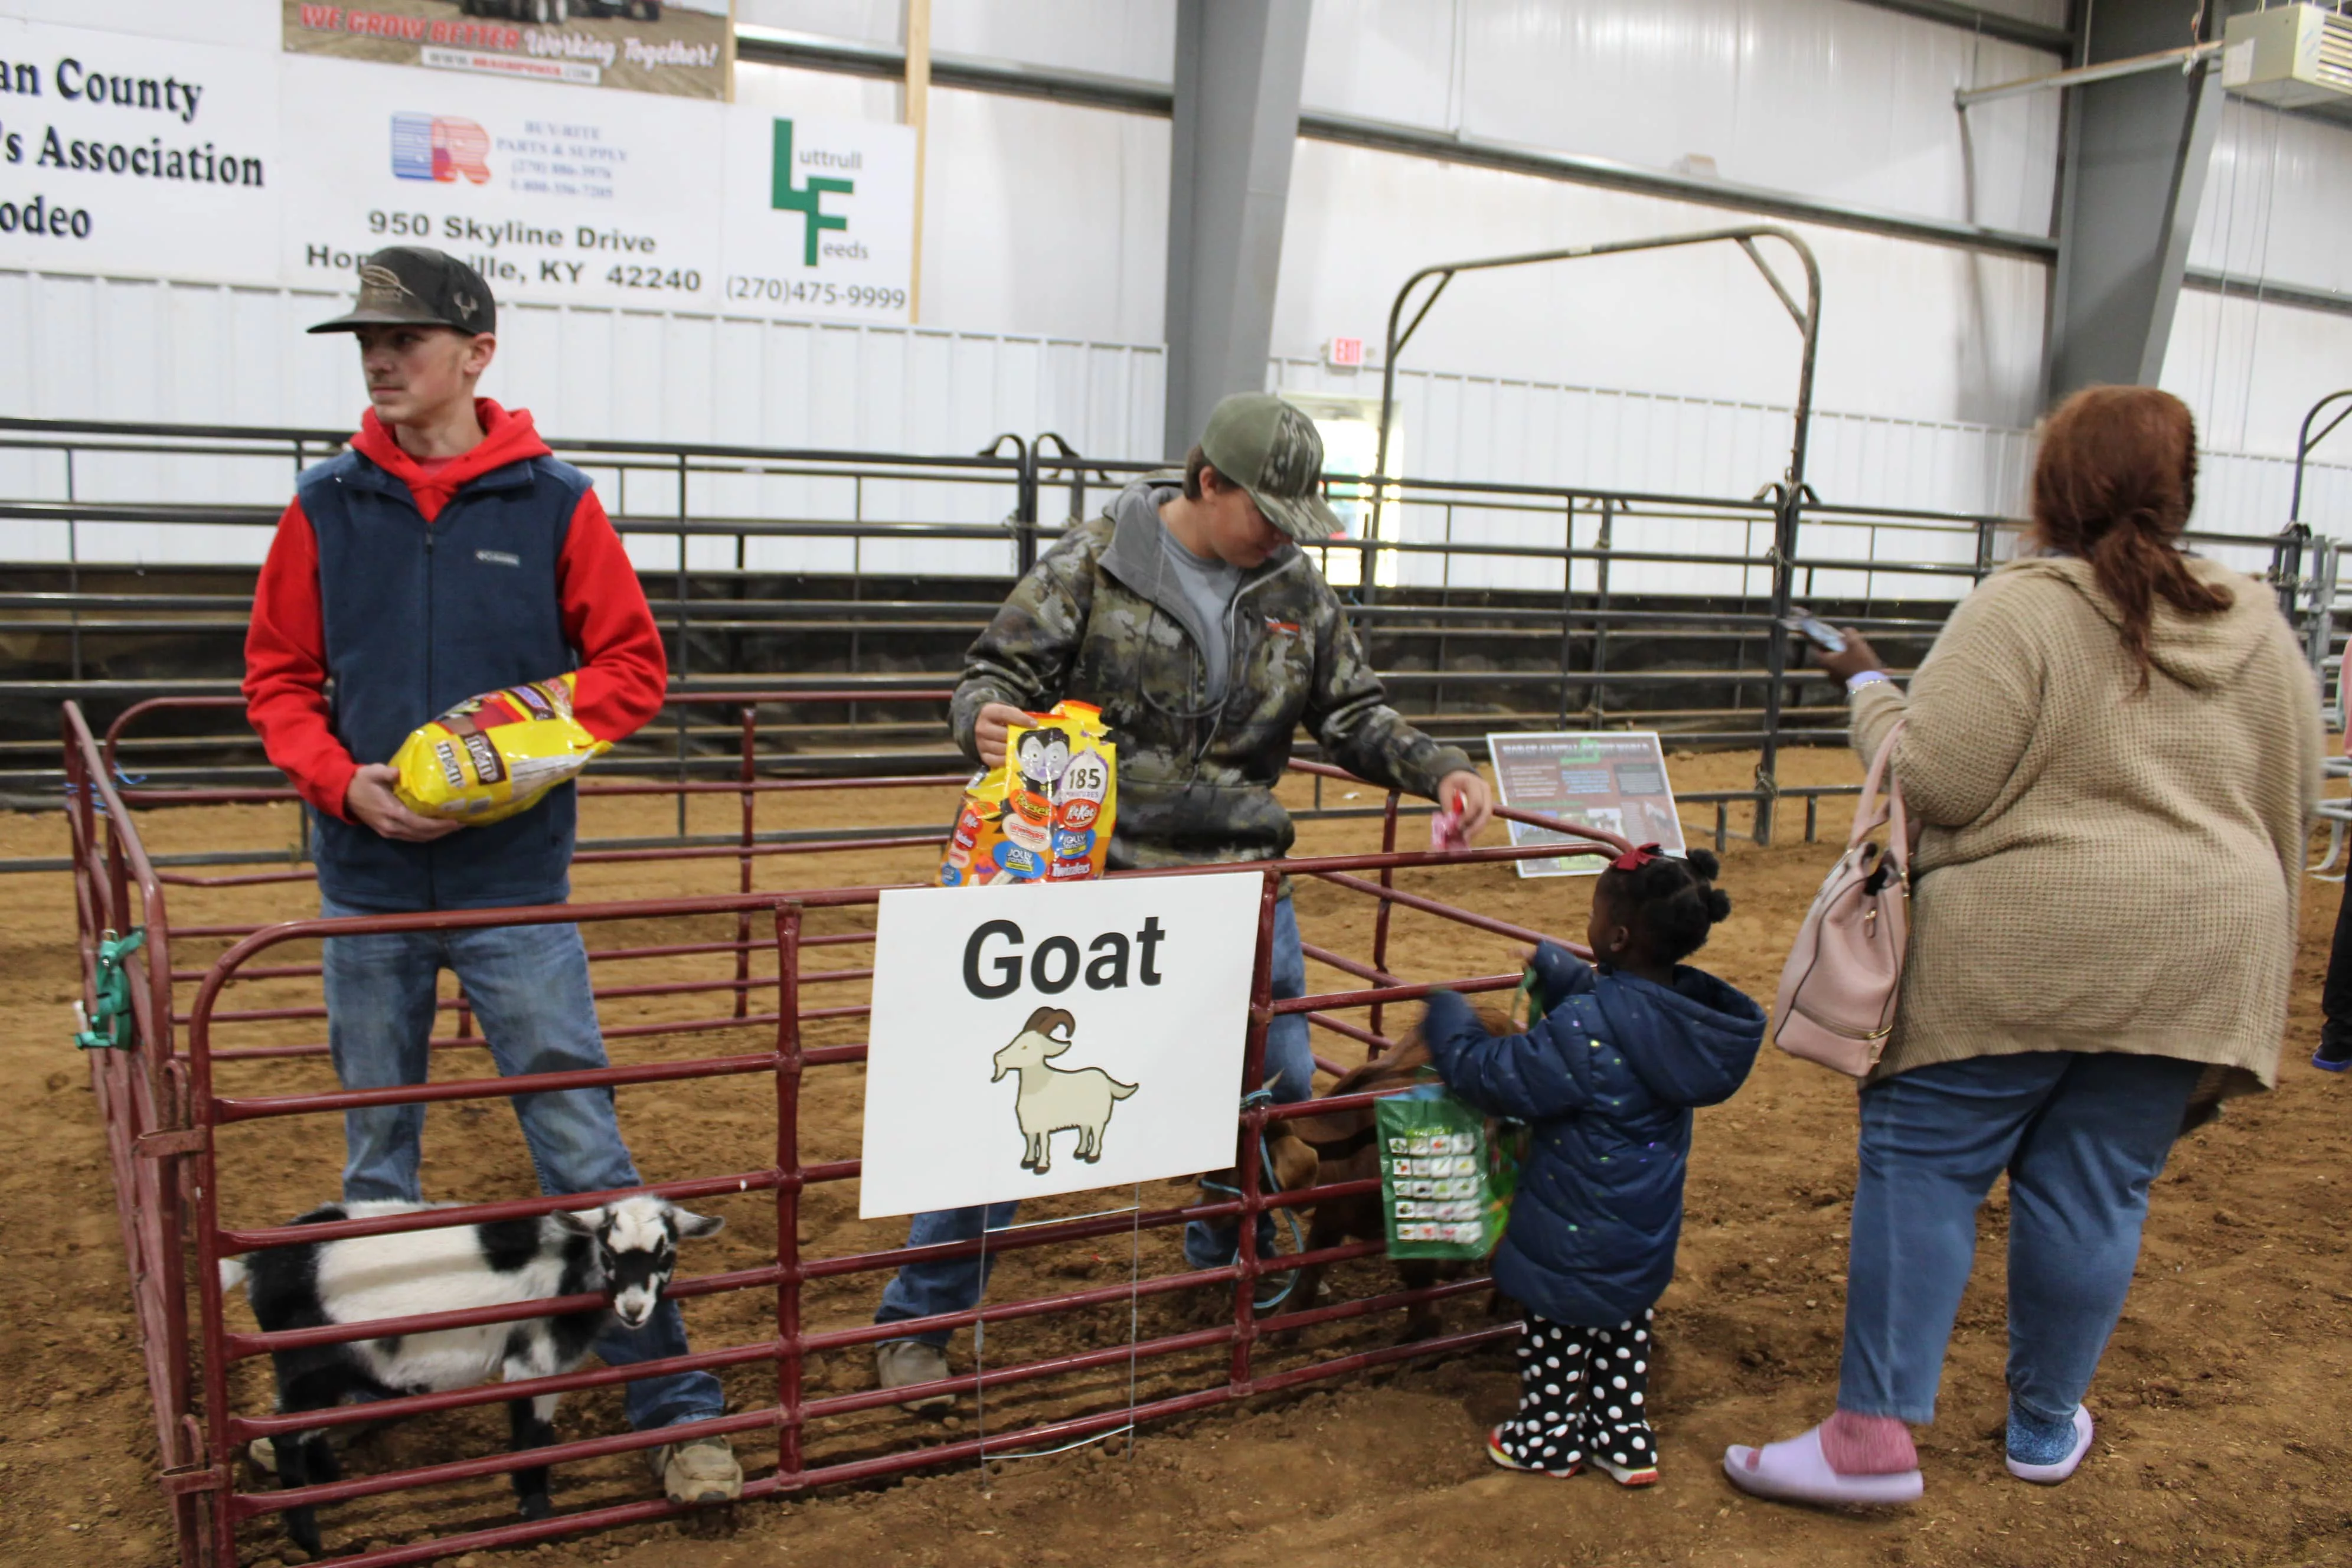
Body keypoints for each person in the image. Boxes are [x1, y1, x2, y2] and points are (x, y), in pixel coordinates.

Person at [1723, 386, 2321, 1506]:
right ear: (2179, 491)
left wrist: (1863, 688)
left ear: (2051, 484)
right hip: (2200, 953)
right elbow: (2291, 803)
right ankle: (2043, 1425)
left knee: (1925, 1167)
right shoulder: (2254, 623)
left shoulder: (2023, 606)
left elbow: (1935, 776)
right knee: (2096, 1190)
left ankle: (1869, 1440)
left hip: (2017, 945)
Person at [871, 391, 1496, 1407]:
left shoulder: (1295, 586)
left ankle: (1225, 1262)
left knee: (1274, 1098)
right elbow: (987, 676)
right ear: (1207, 483)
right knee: (1009, 1111)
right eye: (1267, 512)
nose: (1283, 538)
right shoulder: (1087, 565)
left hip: (1241, 893)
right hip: (1095, 886)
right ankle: (921, 1321)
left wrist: (1442, 770)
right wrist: (985, 717)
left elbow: (1353, 712)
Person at [240, 246, 742, 1507]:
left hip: (512, 883)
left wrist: (518, 751)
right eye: (368, 338)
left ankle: (675, 1404)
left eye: (406, 337)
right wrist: (338, 779)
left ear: (476, 353)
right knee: (377, 1164)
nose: (379, 356)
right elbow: (278, 678)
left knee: (581, 1144)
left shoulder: (554, 502)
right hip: (364, 877)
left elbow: (630, 666)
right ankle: (371, 1386)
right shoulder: (323, 506)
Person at [1419, 846, 1763, 1485]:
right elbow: (1623, 1016)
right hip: (1642, 1228)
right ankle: (1623, 1437)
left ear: (1619, 935)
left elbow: (1496, 1077)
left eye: (1595, 914)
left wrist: (1450, 1029)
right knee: (1623, 1323)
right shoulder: (1678, 1021)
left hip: (1572, 1230)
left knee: (1557, 1331)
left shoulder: (1584, 1027)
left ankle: (1546, 1437)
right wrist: (1560, 970)